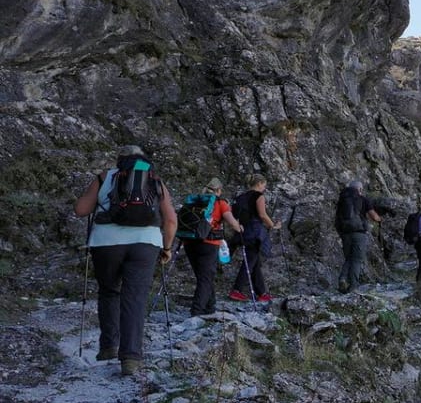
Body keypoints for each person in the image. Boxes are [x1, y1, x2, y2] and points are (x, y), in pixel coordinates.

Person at [73, 145, 177, 376]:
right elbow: (170, 220)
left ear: (120, 159)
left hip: (106, 242)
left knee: (109, 291)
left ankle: (109, 346)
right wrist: (167, 248)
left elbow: (81, 210)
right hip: (146, 243)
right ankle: (130, 358)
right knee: (135, 298)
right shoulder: (154, 179)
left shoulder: (105, 176)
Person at [182, 178, 242, 316]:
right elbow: (232, 222)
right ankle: (196, 312)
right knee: (206, 278)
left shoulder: (195, 201)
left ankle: (210, 306)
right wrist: (239, 227)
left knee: (203, 276)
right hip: (208, 244)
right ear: (219, 190)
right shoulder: (220, 203)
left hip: (189, 242)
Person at [229, 173, 277, 303]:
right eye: (264, 185)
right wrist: (272, 225)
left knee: (253, 262)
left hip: (241, 231)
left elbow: (234, 215)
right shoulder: (259, 197)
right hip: (254, 232)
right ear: (260, 183)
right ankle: (236, 290)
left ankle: (262, 293)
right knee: (249, 262)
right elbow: (262, 215)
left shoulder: (239, 197)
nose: (264, 188)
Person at [335, 179, 382, 293]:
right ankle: (353, 287)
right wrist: (380, 219)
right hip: (359, 233)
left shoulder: (342, 200)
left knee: (349, 258)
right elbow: (374, 217)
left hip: (345, 233)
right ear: (360, 189)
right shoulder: (363, 199)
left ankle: (343, 278)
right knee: (356, 259)